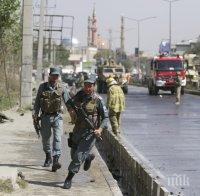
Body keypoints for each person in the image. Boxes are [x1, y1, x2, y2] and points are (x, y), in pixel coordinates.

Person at [63, 75, 108, 189]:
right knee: (73, 154)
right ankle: (88, 157)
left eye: (90, 86)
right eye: (86, 85)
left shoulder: (98, 100)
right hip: (77, 130)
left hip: (90, 133)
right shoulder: (79, 95)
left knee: (78, 157)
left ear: (94, 86)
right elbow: (69, 103)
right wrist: (71, 111)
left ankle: (68, 179)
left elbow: (105, 118)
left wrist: (100, 129)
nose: (87, 88)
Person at [32, 67, 70, 172]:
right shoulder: (42, 87)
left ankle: (55, 160)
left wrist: (74, 111)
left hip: (57, 116)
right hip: (45, 117)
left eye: (57, 75)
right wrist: (35, 114)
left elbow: (68, 102)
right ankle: (48, 156)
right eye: (53, 75)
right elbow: (37, 103)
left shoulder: (62, 87)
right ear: (50, 75)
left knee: (58, 138)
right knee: (46, 139)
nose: (55, 77)